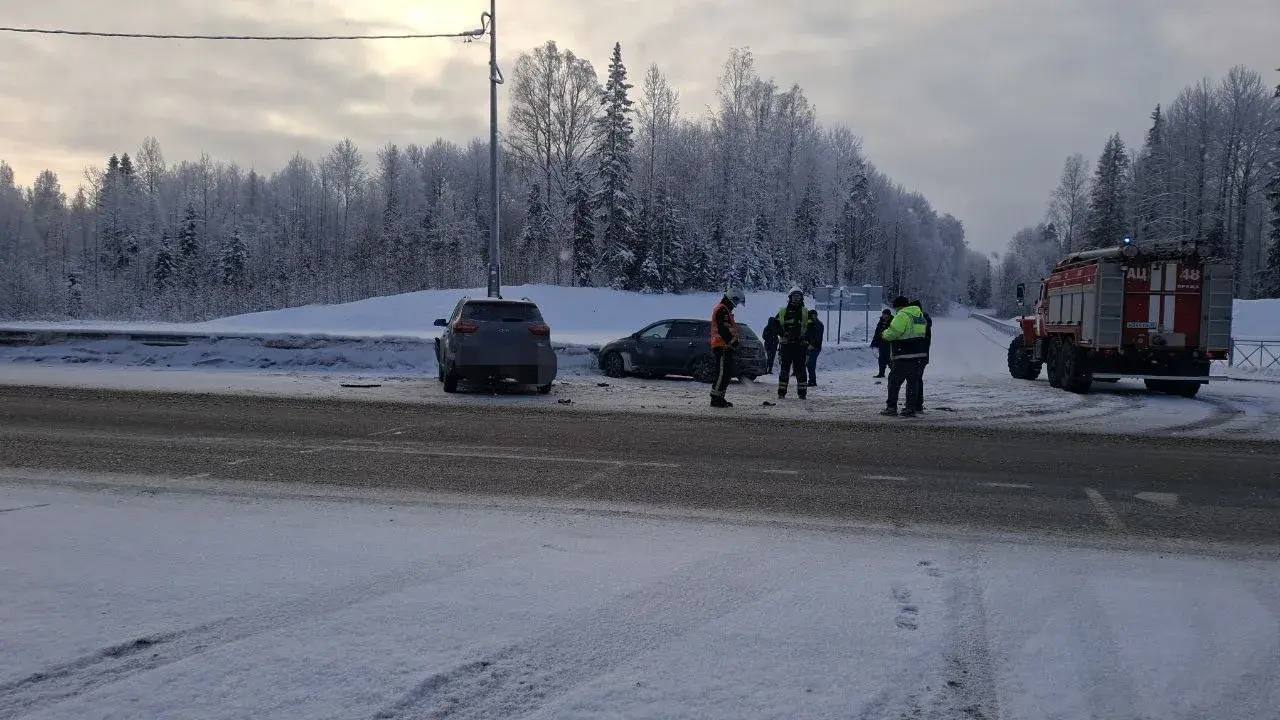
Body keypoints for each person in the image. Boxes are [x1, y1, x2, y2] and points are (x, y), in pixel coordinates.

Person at [879, 295, 929, 418]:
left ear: (899, 306)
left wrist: (884, 334)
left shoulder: (902, 315)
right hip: (918, 355)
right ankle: (910, 408)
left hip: (903, 354)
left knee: (894, 382)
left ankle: (891, 408)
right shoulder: (919, 315)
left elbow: (894, 332)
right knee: (913, 382)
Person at [709, 287, 745, 408]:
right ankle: (715, 399)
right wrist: (731, 341)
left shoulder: (726, 310)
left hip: (726, 346)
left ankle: (720, 397)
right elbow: (723, 328)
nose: (736, 305)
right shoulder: (722, 310)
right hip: (722, 346)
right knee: (723, 372)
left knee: (727, 373)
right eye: (736, 301)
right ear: (731, 298)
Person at [774, 287, 810, 399]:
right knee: (784, 370)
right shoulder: (783, 312)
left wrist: (806, 339)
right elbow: (774, 325)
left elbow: (811, 328)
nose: (796, 299)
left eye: (798, 296)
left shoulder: (805, 312)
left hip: (800, 346)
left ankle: (802, 393)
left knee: (801, 370)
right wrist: (782, 334)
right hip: (786, 346)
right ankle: (781, 393)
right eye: (794, 296)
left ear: (801, 298)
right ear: (790, 298)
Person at [909, 299, 933, 413]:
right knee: (917, 378)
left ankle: (915, 405)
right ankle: (917, 404)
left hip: (919, 354)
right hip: (922, 354)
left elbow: (916, 336)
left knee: (915, 379)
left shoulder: (920, 319)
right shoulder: (924, 319)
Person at [870, 309, 892, 378]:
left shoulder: (893, 322)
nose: (883, 316)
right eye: (883, 314)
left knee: (889, 359)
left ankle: (894, 373)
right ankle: (881, 373)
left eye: (885, 314)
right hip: (882, 343)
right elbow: (876, 333)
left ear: (888, 315)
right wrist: (874, 343)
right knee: (881, 359)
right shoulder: (880, 322)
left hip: (890, 344)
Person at [805, 309, 823, 387]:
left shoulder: (818, 324)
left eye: (814, 315)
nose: (813, 317)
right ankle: (811, 380)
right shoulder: (813, 324)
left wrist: (812, 344)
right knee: (809, 364)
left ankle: (812, 381)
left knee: (811, 364)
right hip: (811, 346)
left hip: (814, 347)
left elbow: (817, 337)